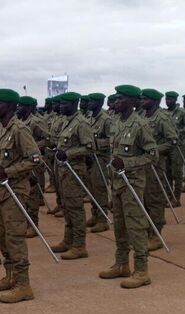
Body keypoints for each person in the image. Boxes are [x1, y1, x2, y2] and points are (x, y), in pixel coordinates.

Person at [99, 85, 157, 289]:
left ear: (133, 102)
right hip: (116, 182)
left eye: (122, 98)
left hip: (132, 183)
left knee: (136, 226)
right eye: (117, 98)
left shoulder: (140, 125)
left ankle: (141, 270)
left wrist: (128, 164)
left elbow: (152, 154)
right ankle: (121, 263)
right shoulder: (116, 122)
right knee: (120, 226)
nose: (117, 101)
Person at [0, 88, 40, 303]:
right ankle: (10, 276)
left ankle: (23, 285)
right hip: (2, 191)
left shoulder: (19, 129)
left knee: (15, 237)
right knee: (2, 236)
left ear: (10, 107)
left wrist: (8, 172)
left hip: (15, 191)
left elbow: (35, 159)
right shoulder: (3, 129)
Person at [51, 92, 94, 259]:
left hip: (74, 171)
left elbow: (89, 147)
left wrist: (68, 154)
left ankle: (79, 245)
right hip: (63, 171)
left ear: (73, 104)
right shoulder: (66, 122)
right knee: (67, 207)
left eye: (64, 104)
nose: (60, 106)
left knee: (75, 208)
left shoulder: (81, 123)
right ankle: (68, 240)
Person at [140, 89, 178, 252]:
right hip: (141, 164)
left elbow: (173, 141)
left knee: (154, 200)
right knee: (143, 199)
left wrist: (154, 150)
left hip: (155, 164)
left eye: (145, 99)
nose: (141, 101)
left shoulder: (162, 118)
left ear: (155, 101)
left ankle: (156, 235)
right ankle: (146, 232)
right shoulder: (142, 116)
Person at [16, 96, 47, 238]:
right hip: (24, 163)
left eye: (21, 106)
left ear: (28, 107)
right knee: (25, 194)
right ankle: (27, 223)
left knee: (33, 195)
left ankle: (33, 225)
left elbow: (47, 139)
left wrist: (31, 148)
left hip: (34, 162)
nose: (18, 108)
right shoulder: (20, 122)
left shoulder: (36, 122)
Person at [86, 93, 112, 233]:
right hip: (90, 158)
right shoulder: (90, 118)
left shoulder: (106, 120)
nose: (89, 103)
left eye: (92, 101)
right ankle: (95, 214)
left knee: (99, 188)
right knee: (91, 188)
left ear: (100, 103)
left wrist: (96, 143)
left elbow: (112, 141)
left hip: (101, 159)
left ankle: (103, 219)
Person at [164, 91, 184, 206]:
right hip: (167, 146)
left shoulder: (181, 113)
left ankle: (177, 198)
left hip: (177, 146)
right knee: (167, 172)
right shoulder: (166, 113)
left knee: (177, 173)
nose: (168, 101)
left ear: (175, 100)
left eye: (170, 99)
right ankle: (169, 196)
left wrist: (179, 133)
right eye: (167, 99)